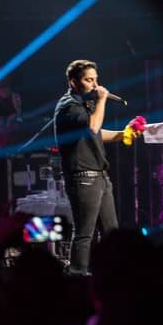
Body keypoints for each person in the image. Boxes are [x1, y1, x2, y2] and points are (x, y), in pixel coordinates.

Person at [53, 59, 141, 275]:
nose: (95, 85)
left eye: (96, 80)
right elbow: (93, 126)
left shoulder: (83, 106)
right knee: (85, 233)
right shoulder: (68, 106)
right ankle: (77, 276)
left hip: (100, 176)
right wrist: (102, 100)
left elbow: (96, 133)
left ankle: (111, 275)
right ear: (73, 82)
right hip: (83, 177)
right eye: (88, 80)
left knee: (111, 233)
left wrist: (123, 134)